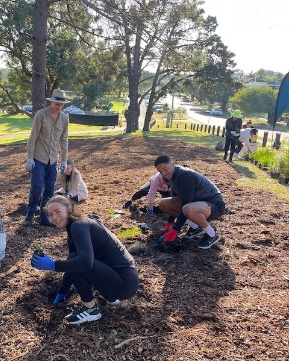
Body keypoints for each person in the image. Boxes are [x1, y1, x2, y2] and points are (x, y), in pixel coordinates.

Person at [31, 195, 139, 325]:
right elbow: (72, 265)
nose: (54, 217)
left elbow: (84, 262)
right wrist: (62, 291)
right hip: (123, 279)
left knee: (77, 261)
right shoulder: (78, 225)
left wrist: (54, 265)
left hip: (124, 283)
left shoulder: (78, 226)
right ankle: (108, 295)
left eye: (58, 211)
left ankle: (90, 309)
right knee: (74, 260)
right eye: (50, 214)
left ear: (69, 208)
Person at [155, 155, 226, 250]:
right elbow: (175, 201)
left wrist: (175, 230)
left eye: (165, 169)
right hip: (198, 204)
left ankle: (212, 235)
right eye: (160, 171)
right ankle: (196, 227)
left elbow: (185, 205)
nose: (163, 173)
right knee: (163, 203)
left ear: (172, 164)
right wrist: (169, 223)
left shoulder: (185, 176)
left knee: (187, 209)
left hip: (215, 205)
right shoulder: (173, 177)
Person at [24, 89, 70, 227]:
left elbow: (64, 140)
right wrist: (29, 157)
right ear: (51, 102)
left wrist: (64, 160)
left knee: (49, 190)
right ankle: (30, 213)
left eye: (62, 105)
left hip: (53, 160)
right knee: (37, 187)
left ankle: (44, 217)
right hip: (39, 158)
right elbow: (33, 137)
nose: (59, 107)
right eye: (57, 104)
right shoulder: (41, 115)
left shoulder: (64, 118)